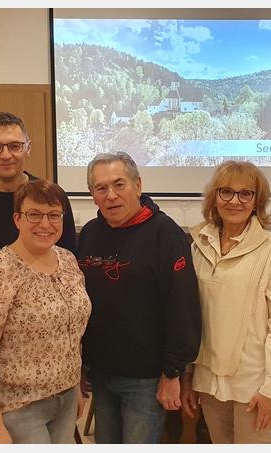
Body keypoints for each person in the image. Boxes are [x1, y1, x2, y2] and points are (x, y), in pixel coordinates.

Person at [77, 152, 201, 443]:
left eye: (119, 185)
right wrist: (80, 364)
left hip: (146, 379)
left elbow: (182, 306)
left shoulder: (166, 234)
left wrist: (172, 374)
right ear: (93, 196)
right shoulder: (90, 233)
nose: (111, 195)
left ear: (138, 186)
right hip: (101, 373)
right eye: (101, 188)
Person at [0, 179, 91, 444]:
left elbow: (72, 328)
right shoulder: (0, 269)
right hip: (21, 407)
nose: (45, 224)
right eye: (34, 214)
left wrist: (75, 384)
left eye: (54, 215)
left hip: (65, 398)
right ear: (17, 219)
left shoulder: (67, 260)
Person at [181, 161, 271, 443]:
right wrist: (187, 375)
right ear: (214, 197)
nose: (235, 201)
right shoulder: (199, 245)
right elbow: (190, 316)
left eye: (246, 194)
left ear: (257, 201)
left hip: (253, 382)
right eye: (226, 192)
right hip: (208, 379)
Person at [0, 112, 76, 264]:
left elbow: (68, 255)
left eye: (15, 146)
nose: (6, 155)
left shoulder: (51, 197)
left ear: (28, 148)